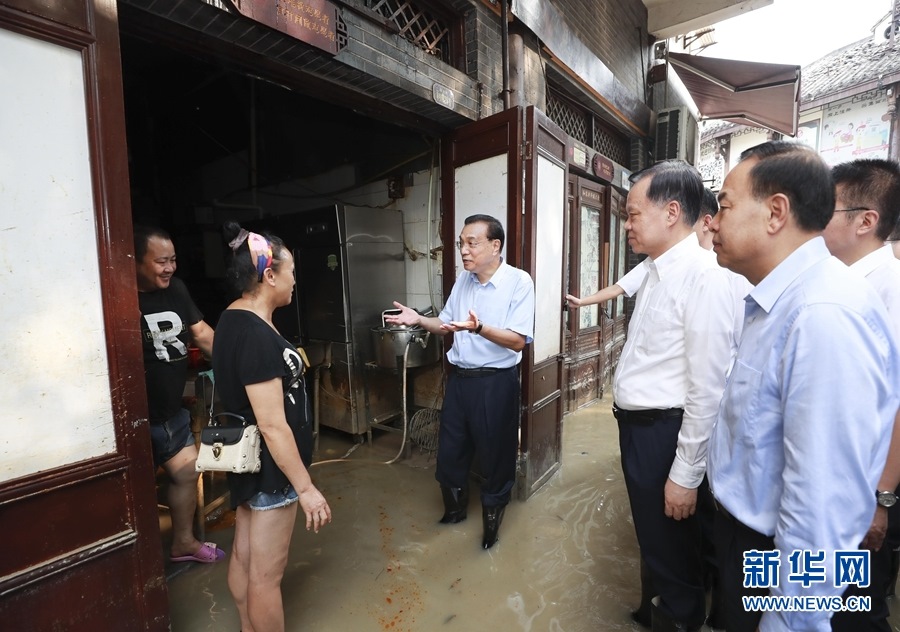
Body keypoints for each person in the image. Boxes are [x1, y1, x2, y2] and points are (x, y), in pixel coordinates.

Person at [707, 142, 900, 632]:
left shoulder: (822, 315)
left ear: (776, 212)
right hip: (742, 540)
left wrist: (788, 621)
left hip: (769, 553)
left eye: (725, 206)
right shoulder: (781, 300)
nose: (712, 222)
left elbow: (821, 507)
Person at [612, 162, 738, 631]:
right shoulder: (657, 271)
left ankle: (680, 620)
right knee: (660, 545)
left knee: (674, 557)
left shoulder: (704, 276)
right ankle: (661, 612)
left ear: (670, 212)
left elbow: (708, 389)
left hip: (665, 436)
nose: (627, 225)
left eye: (632, 214)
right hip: (643, 433)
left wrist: (684, 475)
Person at [385, 214, 535, 550]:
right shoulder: (463, 281)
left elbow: (517, 340)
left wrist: (480, 328)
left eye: (472, 243)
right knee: (451, 450)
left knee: (496, 454)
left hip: (495, 383)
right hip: (460, 381)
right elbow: (446, 324)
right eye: (461, 243)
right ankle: (453, 514)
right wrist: (419, 319)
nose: (463, 251)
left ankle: (491, 529)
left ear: (495, 246)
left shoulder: (519, 282)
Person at [212, 222, 331, 632]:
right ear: (270, 275)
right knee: (267, 577)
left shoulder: (232, 318)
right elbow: (273, 426)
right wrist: (306, 488)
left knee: (245, 560)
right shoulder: (257, 337)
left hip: (245, 463)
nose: (296, 279)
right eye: (292, 270)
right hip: (271, 470)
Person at [822, 159, 900, 632]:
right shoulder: (851, 282)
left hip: (865, 490)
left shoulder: (887, 290)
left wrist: (882, 497)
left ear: (865, 221)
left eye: (827, 210)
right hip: (841, 484)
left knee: (856, 608)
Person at [135, 224, 224, 564]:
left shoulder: (178, 289)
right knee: (135, 494)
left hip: (171, 413)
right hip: (135, 420)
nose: (169, 268)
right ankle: (139, 566)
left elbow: (201, 333)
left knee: (188, 473)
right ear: (136, 262)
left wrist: (239, 363)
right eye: (161, 261)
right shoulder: (118, 296)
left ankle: (183, 542)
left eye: (172, 260)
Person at [566, 186, 722, 311]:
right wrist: (582, 302)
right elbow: (619, 287)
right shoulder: (658, 262)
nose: (627, 226)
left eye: (689, 219)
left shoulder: (716, 272)